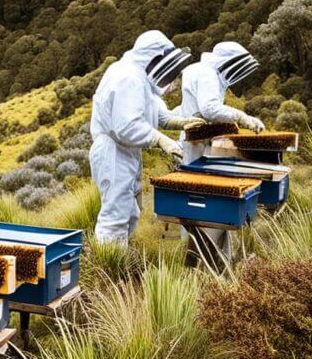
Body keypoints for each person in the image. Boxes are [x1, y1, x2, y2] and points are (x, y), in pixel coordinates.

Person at [89, 30, 204, 244]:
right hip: (113, 152)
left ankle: (121, 256)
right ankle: (109, 268)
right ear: (153, 58)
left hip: (126, 151)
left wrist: (180, 121)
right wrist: (160, 140)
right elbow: (127, 126)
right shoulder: (128, 77)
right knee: (116, 215)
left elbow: (155, 114)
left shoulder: (140, 78)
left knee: (131, 209)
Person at [176, 41, 264, 269]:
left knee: (195, 198)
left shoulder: (197, 70)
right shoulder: (207, 75)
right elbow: (210, 109)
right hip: (199, 143)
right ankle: (205, 260)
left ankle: (201, 257)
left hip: (196, 140)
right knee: (206, 199)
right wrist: (243, 117)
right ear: (228, 62)